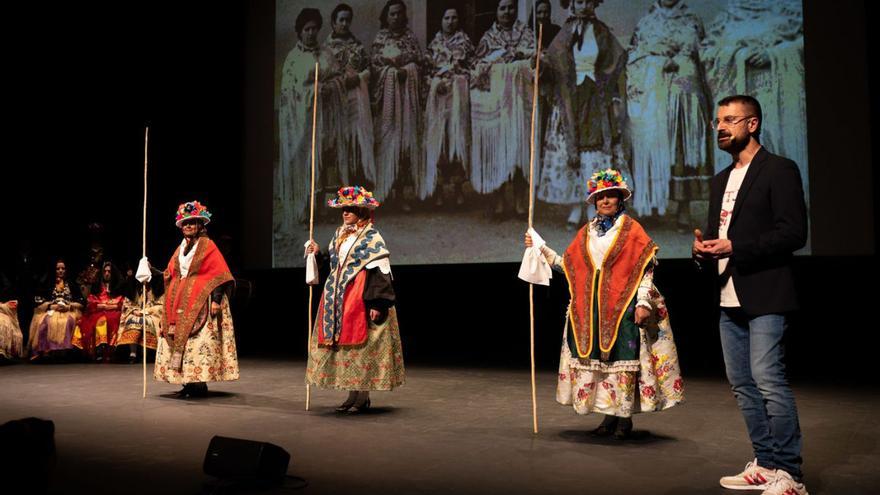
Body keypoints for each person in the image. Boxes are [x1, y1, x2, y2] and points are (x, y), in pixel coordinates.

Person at [693, 95, 808, 495]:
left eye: (729, 120)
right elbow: (717, 237)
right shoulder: (720, 180)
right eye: (717, 122)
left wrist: (734, 247)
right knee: (742, 383)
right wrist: (704, 249)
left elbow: (794, 233)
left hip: (766, 293)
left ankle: (790, 475)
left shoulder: (779, 170)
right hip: (728, 294)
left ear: (753, 124)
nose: (721, 127)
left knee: (768, 380)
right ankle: (765, 463)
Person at [526, 169, 683, 438]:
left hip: (623, 309)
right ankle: (607, 418)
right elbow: (570, 266)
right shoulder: (587, 232)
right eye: (600, 197)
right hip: (592, 312)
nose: (605, 201)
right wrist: (540, 248)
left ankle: (623, 419)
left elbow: (644, 268)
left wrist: (644, 302)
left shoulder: (632, 231)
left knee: (621, 361)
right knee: (598, 363)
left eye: (611, 196)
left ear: (620, 200)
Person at [305, 186, 405, 413]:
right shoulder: (339, 233)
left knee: (362, 348)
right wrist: (317, 252)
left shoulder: (371, 236)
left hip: (360, 296)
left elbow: (381, 270)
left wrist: (378, 303)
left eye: (350, 208)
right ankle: (352, 394)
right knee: (343, 348)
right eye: (343, 209)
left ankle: (363, 396)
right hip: (337, 299)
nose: (345, 212)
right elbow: (336, 265)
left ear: (361, 211)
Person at [537, 0, 630, 231]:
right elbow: (552, 62)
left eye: (589, 1)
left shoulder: (601, 31)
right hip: (570, 97)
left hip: (595, 97)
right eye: (580, 1)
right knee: (572, 149)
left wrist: (612, 95)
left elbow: (616, 61)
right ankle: (574, 208)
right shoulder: (565, 32)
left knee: (595, 151)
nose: (584, 6)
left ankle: (593, 206)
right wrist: (541, 63)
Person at [701, 0, 806, 200]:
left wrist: (774, 54)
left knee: (777, 162)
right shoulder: (726, 18)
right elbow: (708, 54)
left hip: (779, 98)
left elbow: (803, 44)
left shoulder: (788, 11)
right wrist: (737, 54)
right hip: (740, 92)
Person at [627, 0, 712, 227]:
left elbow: (703, 54)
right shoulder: (646, 22)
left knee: (682, 146)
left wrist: (683, 60)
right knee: (653, 143)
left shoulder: (691, 19)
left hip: (683, 92)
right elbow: (634, 54)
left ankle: (683, 209)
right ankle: (653, 205)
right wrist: (656, 61)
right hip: (653, 93)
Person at [147, 201, 239, 398]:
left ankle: (199, 384)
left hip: (202, 300)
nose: (188, 226)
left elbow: (219, 273)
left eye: (192, 222)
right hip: (180, 300)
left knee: (198, 342)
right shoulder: (180, 249)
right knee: (185, 342)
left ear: (199, 225)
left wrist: (216, 300)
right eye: (185, 223)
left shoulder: (208, 246)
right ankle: (187, 382)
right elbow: (169, 273)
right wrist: (148, 270)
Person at [277, 8, 346, 232]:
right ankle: (305, 209)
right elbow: (289, 91)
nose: (311, 33)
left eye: (314, 28)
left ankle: (322, 207)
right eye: (307, 29)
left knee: (325, 160)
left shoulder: (326, 54)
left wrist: (330, 88)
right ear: (299, 31)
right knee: (305, 162)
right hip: (302, 122)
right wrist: (314, 90)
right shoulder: (293, 58)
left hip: (326, 118)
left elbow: (338, 78)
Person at [470, 0, 535, 218]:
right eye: (502, 8)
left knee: (519, 150)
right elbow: (476, 71)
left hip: (520, 104)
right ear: (496, 12)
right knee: (497, 152)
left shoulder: (526, 33)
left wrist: (521, 62)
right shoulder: (488, 38)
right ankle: (498, 201)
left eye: (511, 7)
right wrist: (500, 64)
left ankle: (519, 201)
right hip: (497, 106)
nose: (507, 12)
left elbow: (537, 62)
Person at [370, 0, 426, 208]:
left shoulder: (410, 37)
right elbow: (375, 66)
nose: (396, 17)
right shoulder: (380, 39)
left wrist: (408, 70)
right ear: (386, 17)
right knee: (388, 141)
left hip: (407, 99)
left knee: (405, 143)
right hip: (388, 100)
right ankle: (387, 190)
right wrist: (392, 73)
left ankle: (403, 194)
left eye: (399, 13)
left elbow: (419, 63)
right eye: (392, 14)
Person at [425, 7, 475, 207]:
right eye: (447, 17)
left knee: (457, 142)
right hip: (439, 100)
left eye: (455, 17)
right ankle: (438, 190)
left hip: (458, 98)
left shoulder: (466, 43)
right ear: (441, 20)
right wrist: (436, 83)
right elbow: (426, 72)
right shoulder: (434, 45)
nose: (451, 21)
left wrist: (458, 81)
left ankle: (457, 189)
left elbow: (473, 68)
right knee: (440, 143)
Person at [325, 4, 375, 189]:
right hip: (337, 103)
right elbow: (325, 76)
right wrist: (342, 81)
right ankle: (340, 190)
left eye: (348, 20)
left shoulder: (358, 45)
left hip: (358, 101)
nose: (345, 24)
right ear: (333, 22)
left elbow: (369, 68)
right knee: (340, 144)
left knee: (358, 142)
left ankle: (357, 189)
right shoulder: (325, 49)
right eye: (341, 20)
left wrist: (359, 78)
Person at [28, 259, 84, 361]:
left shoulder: (71, 283)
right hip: (52, 310)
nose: (60, 270)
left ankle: (64, 352)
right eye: (58, 269)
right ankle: (48, 351)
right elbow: (38, 300)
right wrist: (50, 305)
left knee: (68, 322)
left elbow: (81, 300)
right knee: (46, 322)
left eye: (63, 268)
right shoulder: (48, 283)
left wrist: (69, 306)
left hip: (68, 311)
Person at [73, 261, 124, 362]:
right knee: (97, 321)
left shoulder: (118, 286)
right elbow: (92, 302)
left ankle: (109, 351)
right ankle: (99, 350)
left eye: (109, 271)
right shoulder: (97, 286)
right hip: (98, 311)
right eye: (105, 271)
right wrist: (103, 305)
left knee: (111, 319)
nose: (107, 273)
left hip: (114, 312)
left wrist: (108, 305)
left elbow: (121, 302)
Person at [115, 272, 164, 364]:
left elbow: (161, 306)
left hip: (151, 314)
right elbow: (127, 304)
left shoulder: (157, 290)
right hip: (135, 312)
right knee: (132, 320)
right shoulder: (134, 290)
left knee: (145, 322)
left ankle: (146, 353)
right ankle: (133, 353)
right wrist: (133, 311)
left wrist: (145, 312)